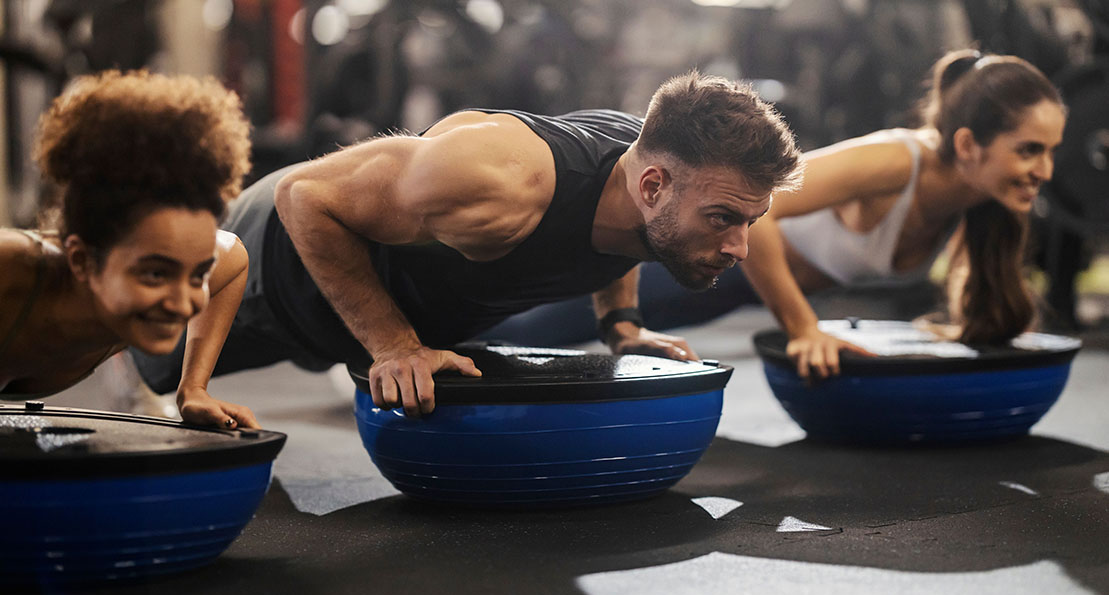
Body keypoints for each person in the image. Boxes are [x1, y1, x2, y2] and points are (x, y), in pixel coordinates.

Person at [132, 70, 803, 419]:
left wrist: (619, 324)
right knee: (144, 360)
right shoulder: (499, 183)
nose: (741, 246)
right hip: (272, 271)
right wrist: (392, 344)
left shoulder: (651, 180)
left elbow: (629, 238)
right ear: (652, 184)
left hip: (362, 315)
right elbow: (304, 200)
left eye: (750, 220)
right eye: (724, 220)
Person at [485, 49, 1066, 381]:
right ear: (968, 145)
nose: (1044, 169)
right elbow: (755, 212)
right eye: (1029, 150)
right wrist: (803, 328)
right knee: (526, 327)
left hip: (734, 287)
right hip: (699, 251)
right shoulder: (896, 160)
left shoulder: (982, 204)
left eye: (1052, 150)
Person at [0, 70, 259, 429]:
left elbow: (232, 256)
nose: (182, 303)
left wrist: (193, 389)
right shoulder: (9, 274)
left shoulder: (204, 264)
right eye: (155, 274)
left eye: (197, 275)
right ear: (82, 261)